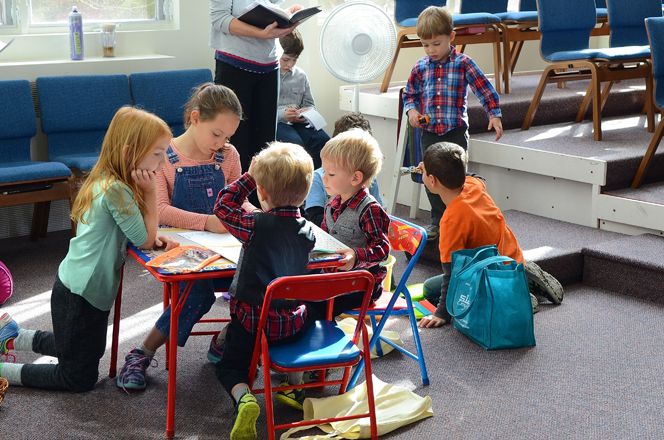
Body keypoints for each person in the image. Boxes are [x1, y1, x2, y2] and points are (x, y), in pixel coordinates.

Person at [0, 107, 178, 391]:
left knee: (83, 348)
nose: (163, 160)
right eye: (157, 153)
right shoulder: (117, 189)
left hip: (82, 289)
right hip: (80, 294)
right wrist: (151, 191)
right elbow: (143, 238)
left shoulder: (109, 180)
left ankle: (12, 336)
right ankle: (4, 371)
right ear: (129, 151)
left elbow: (133, 231)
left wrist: (150, 234)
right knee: (77, 378)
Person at [115, 83, 255, 391]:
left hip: (226, 248)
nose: (221, 143)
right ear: (194, 118)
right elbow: (161, 210)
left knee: (260, 281)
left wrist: (256, 215)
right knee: (198, 292)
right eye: (216, 134)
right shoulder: (163, 155)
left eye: (228, 136)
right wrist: (208, 222)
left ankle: (226, 339)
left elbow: (240, 199)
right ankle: (142, 352)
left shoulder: (229, 155)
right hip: (184, 249)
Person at [212, 142, 316, 440]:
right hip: (291, 323)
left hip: (253, 322)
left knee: (229, 368)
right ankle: (293, 386)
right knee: (304, 313)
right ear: (305, 192)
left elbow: (222, 206)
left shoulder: (254, 225)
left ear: (263, 192)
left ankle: (245, 399)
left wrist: (249, 176)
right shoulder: (308, 231)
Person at [416, 142, 564, 329]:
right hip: (511, 256)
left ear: (432, 180)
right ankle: (521, 276)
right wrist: (435, 169)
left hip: (490, 276)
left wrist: (441, 313)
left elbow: (451, 273)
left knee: (430, 288)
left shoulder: (450, 222)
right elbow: (474, 176)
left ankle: (515, 297)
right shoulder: (473, 185)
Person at [402, 5, 504, 241]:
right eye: (425, 44)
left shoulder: (463, 63)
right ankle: (439, 221)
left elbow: (484, 89)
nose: (431, 50)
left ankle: (460, 219)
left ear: (452, 37)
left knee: (456, 179)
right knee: (432, 179)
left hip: (455, 133)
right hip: (429, 133)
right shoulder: (420, 67)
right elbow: (409, 94)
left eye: (436, 43)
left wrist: (494, 114)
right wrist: (412, 111)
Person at [210, 0, 300, 173]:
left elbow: (269, 6)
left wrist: (286, 17)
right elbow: (220, 19)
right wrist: (260, 33)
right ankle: (233, 199)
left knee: (265, 148)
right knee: (234, 144)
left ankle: (260, 200)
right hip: (234, 66)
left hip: (269, 66)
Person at [314, 129, 390, 316]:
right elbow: (326, 236)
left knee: (313, 307)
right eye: (324, 172)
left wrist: (356, 256)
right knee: (292, 288)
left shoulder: (370, 209)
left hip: (361, 286)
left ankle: (325, 340)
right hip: (334, 277)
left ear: (355, 178)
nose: (324, 178)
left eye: (330, 174)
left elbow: (382, 250)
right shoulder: (333, 202)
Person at [304, 112, 383, 227]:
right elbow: (314, 217)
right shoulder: (318, 178)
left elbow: (379, 220)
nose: (325, 177)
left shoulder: (369, 179)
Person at [276, 29, 330, 169]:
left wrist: (306, 112)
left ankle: (317, 182)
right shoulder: (268, 75)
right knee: (295, 144)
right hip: (277, 122)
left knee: (324, 141)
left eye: (294, 60)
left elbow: (310, 104)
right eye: (286, 59)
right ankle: (299, 185)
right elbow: (261, 110)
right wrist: (283, 114)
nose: (290, 64)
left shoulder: (301, 76)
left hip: (299, 122)